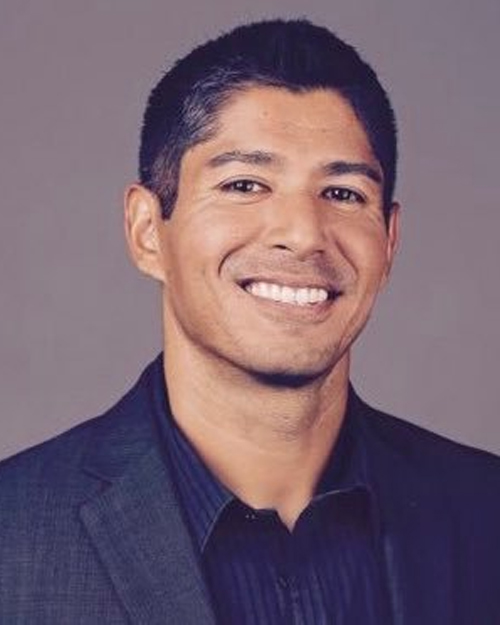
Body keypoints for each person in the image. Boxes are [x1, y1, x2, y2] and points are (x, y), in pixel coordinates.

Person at [0, 19, 499, 625]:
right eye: (244, 184)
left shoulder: (483, 511)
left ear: (389, 241)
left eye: (343, 193)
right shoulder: (13, 534)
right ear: (147, 231)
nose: (303, 233)